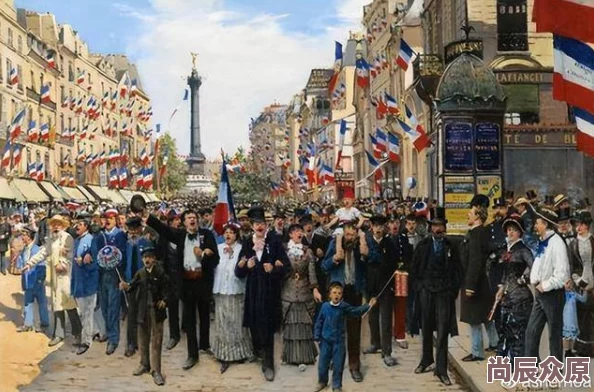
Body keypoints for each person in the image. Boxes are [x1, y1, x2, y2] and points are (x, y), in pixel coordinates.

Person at [145, 208, 220, 370]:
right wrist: (147, 216)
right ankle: (192, 354)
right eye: (189, 218)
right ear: (184, 222)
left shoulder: (206, 235)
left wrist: (205, 255)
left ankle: (205, 345)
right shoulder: (179, 235)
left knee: (205, 315)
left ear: (197, 220)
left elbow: (216, 259)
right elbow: (163, 229)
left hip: (202, 281)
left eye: (194, 217)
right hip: (186, 282)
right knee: (190, 318)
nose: (192, 220)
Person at [235, 206, 290, 382]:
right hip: (253, 290)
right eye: (256, 223)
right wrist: (245, 266)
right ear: (251, 226)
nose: (259, 226)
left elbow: (286, 267)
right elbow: (239, 272)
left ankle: (268, 365)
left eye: (262, 223)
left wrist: (273, 268)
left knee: (267, 327)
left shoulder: (274, 241)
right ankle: (258, 352)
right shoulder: (246, 242)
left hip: (269, 290)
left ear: (267, 225)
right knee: (254, 326)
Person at [410, 207, 461, 386]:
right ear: (431, 228)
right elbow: (414, 270)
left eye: (440, 226)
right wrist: (419, 287)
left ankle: (441, 369)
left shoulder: (451, 246)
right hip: (426, 292)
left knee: (442, 331)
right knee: (426, 327)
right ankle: (426, 360)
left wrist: (452, 291)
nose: (438, 229)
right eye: (435, 226)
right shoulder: (423, 246)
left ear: (444, 228)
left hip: (444, 294)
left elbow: (458, 270)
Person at [23, 214, 82, 347]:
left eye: (58, 224)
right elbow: (43, 252)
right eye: (54, 224)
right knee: (57, 306)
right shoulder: (51, 239)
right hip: (54, 277)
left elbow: (71, 255)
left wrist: (63, 264)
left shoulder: (68, 238)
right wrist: (30, 263)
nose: (56, 226)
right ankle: (58, 334)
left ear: (63, 225)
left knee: (70, 306)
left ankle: (77, 334)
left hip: (66, 277)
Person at [321, 223, 368, 383]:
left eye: (352, 235)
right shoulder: (335, 244)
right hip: (338, 293)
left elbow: (368, 264)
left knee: (354, 332)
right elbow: (324, 266)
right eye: (347, 234)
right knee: (335, 330)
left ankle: (354, 366)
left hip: (354, 292)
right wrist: (334, 258)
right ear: (343, 235)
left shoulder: (359, 247)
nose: (350, 238)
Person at [525, 207, 571, 362]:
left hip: (552, 295)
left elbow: (562, 274)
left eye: (537, 223)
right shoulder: (543, 242)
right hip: (539, 294)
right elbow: (538, 265)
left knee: (554, 334)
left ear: (545, 224)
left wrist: (545, 285)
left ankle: (555, 367)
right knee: (531, 331)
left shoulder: (557, 243)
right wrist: (533, 280)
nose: (535, 226)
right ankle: (532, 365)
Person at [314, 282, 377, 392]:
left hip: (339, 342)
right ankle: (322, 382)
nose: (336, 295)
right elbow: (319, 322)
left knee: (338, 365)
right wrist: (317, 337)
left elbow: (356, 311)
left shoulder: (344, 307)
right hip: (326, 341)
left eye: (339, 293)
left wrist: (369, 305)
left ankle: (337, 385)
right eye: (334, 293)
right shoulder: (324, 307)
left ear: (342, 295)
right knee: (323, 364)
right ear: (329, 294)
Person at [119, 246, 168, 386]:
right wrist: (125, 286)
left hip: (156, 311)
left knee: (156, 340)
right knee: (143, 338)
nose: (147, 259)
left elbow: (168, 288)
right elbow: (131, 286)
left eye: (150, 257)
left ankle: (156, 371)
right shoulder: (140, 273)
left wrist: (164, 300)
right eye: (145, 257)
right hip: (142, 310)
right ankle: (144, 364)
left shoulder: (160, 272)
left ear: (154, 259)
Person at [212, 222, 253, 374]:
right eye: (226, 232)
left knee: (236, 323)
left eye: (231, 232)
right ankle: (223, 355)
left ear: (236, 235)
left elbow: (242, 270)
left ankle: (239, 353)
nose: (228, 235)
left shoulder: (241, 249)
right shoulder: (218, 248)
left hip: (236, 290)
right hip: (221, 290)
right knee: (222, 323)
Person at [460, 200, 498, 361]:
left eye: (471, 212)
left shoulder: (475, 234)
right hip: (483, 283)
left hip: (474, 283)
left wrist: (470, 286)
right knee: (486, 316)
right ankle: (496, 343)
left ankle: (477, 351)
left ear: (477, 217)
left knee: (474, 318)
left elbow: (474, 261)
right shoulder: (482, 232)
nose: (468, 213)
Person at [494, 214, 534, 363]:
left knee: (518, 332)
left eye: (514, 230)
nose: (510, 233)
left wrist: (523, 279)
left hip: (521, 297)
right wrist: (500, 288)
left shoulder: (523, 250)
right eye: (509, 230)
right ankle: (504, 365)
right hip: (506, 297)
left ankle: (519, 367)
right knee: (505, 330)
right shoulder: (506, 250)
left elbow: (535, 268)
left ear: (520, 232)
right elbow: (505, 273)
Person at [281, 223, 320, 368]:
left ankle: (304, 357)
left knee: (304, 325)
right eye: (296, 231)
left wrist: (315, 289)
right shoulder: (283, 250)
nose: (299, 233)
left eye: (300, 231)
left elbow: (312, 273)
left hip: (304, 291)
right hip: (288, 290)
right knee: (289, 324)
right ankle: (288, 356)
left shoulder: (308, 251)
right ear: (290, 234)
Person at [362, 215, 398, 366]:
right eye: (375, 226)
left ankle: (387, 351)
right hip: (370, 286)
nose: (378, 229)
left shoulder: (389, 243)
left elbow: (393, 263)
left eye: (381, 226)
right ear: (371, 226)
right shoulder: (366, 242)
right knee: (372, 317)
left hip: (386, 286)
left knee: (386, 319)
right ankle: (375, 343)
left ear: (385, 227)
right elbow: (362, 262)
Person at [93, 209, 128, 355]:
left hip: (115, 274)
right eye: (105, 218)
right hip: (102, 274)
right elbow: (95, 251)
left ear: (116, 221)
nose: (107, 221)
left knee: (113, 307)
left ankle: (113, 339)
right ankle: (108, 331)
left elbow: (122, 254)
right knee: (105, 307)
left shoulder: (119, 235)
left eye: (111, 219)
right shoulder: (99, 235)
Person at [123, 216, 153, 357]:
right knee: (131, 314)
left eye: (135, 229)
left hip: (144, 283)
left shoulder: (146, 243)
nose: (133, 232)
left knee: (144, 316)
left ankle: (143, 343)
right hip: (130, 282)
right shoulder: (126, 244)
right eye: (130, 230)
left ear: (140, 229)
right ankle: (130, 344)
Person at [70, 215, 99, 355]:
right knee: (85, 312)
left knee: (86, 313)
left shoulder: (92, 240)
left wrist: (85, 262)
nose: (76, 226)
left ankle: (86, 341)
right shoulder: (77, 241)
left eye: (80, 224)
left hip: (88, 282)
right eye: (76, 223)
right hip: (78, 281)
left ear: (86, 226)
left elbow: (96, 262)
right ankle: (96, 331)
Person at [568, 210, 594, 357]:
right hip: (580, 282)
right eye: (577, 224)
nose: (578, 227)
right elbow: (571, 266)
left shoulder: (593, 241)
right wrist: (579, 281)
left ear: (586, 225)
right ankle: (582, 348)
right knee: (582, 315)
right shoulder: (572, 244)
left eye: (581, 224)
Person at [16, 226, 49, 333]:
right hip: (27, 280)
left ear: (29, 237)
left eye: (24, 235)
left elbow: (42, 265)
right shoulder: (23, 250)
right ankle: (28, 324)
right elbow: (19, 265)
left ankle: (44, 322)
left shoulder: (37, 249)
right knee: (27, 303)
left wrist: (40, 279)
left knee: (42, 303)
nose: (22, 237)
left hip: (37, 280)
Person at [562, 279, 587, 358]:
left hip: (573, 316)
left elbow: (583, 299)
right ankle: (567, 351)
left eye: (571, 284)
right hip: (565, 316)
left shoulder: (574, 294)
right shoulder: (562, 294)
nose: (569, 285)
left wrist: (584, 291)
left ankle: (571, 350)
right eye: (567, 283)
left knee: (572, 335)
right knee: (567, 335)